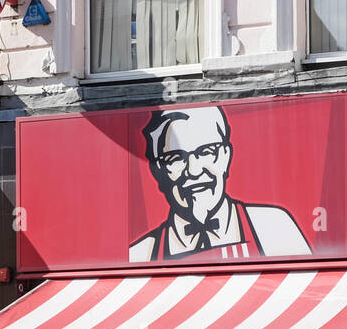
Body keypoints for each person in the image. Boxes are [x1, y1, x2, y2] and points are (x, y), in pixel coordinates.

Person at [130, 106, 314, 263]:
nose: (194, 170)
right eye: (176, 158)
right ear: (158, 171)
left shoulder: (272, 226)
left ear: (226, 156)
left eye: (206, 152)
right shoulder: (141, 253)